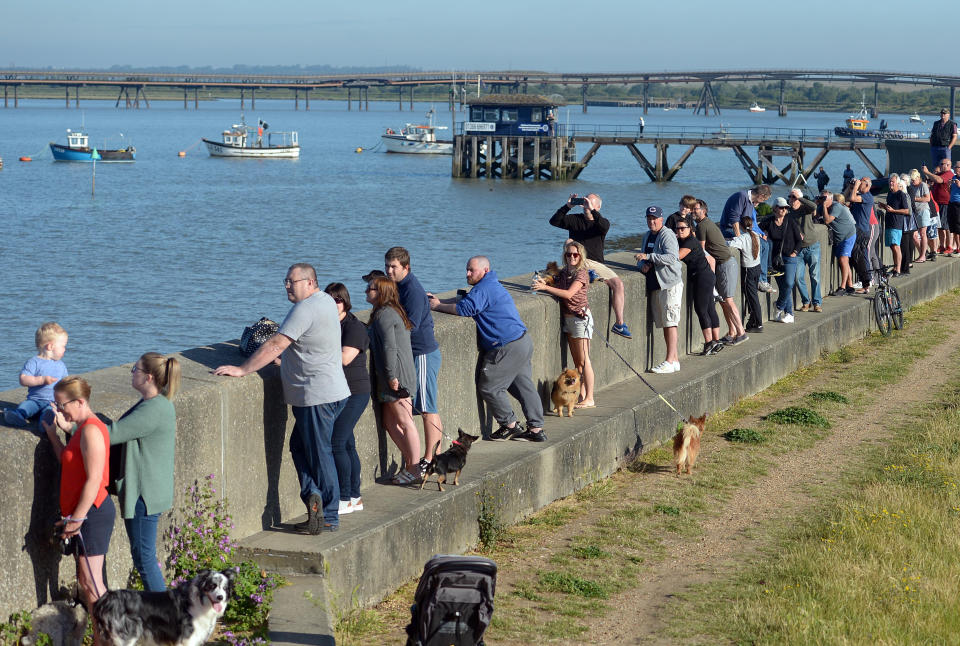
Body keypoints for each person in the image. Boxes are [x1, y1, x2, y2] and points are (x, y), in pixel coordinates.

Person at [214, 263, 349, 534]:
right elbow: (306, 345)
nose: (287, 286)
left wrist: (243, 369)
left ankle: (330, 515)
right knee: (300, 447)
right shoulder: (324, 301)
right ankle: (315, 499)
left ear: (310, 283)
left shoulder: (305, 307)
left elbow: (277, 343)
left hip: (316, 396)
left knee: (320, 453)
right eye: (285, 281)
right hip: (327, 392)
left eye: (292, 281)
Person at [428, 256, 546, 442]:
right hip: (522, 341)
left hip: (505, 345)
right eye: (467, 269)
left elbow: (465, 309)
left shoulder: (484, 288)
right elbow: (466, 300)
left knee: (490, 386)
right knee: (523, 386)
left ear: (485, 270)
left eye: (471, 270)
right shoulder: (491, 285)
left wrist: (437, 306)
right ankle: (536, 429)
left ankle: (510, 425)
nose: (467, 273)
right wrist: (441, 300)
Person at [107, 352, 180, 592]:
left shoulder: (153, 409)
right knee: (144, 556)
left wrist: (73, 425)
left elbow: (112, 434)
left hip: (144, 495)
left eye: (135, 369)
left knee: (144, 558)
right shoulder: (155, 404)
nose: (131, 373)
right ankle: (166, 617)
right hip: (150, 491)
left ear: (148, 377)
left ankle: (166, 619)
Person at [41, 377, 115, 614]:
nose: (59, 410)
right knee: (87, 582)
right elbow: (68, 460)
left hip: (92, 512)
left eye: (62, 405)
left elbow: (94, 479)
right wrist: (54, 435)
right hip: (83, 513)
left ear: (80, 401)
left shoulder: (91, 430)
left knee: (93, 585)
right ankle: (100, 637)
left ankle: (108, 637)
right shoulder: (81, 429)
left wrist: (76, 519)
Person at [384, 247, 444, 476]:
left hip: (422, 353)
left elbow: (411, 326)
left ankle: (429, 459)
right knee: (427, 406)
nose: (389, 270)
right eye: (387, 265)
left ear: (406, 268)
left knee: (427, 408)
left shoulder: (413, 290)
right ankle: (432, 458)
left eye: (394, 267)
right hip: (416, 354)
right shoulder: (398, 286)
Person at [549, 193, 630, 339]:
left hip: (596, 263)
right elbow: (554, 221)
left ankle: (619, 324)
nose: (586, 205)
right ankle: (588, 274)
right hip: (578, 261)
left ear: (597, 207)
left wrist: (591, 211)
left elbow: (603, 226)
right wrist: (567, 206)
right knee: (569, 242)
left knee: (618, 284)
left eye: (590, 203)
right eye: (585, 202)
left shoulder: (601, 223)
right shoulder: (574, 219)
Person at [365, 276, 422, 484]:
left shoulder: (386, 315)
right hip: (390, 376)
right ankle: (409, 462)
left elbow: (390, 347)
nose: (366, 291)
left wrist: (391, 377)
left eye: (370, 289)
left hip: (397, 377)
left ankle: (415, 468)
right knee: (389, 422)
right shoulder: (384, 312)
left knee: (405, 421)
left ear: (381, 292)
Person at [532, 241, 596, 406]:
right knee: (577, 362)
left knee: (585, 360)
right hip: (569, 318)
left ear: (580, 256)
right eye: (568, 254)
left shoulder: (582, 274)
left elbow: (568, 294)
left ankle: (590, 397)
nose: (572, 257)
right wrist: (545, 282)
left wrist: (545, 289)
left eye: (575, 255)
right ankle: (580, 395)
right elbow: (556, 281)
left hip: (581, 318)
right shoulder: (565, 272)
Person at [324, 283, 369, 515]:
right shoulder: (329, 325)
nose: (334, 304)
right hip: (337, 392)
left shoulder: (354, 327)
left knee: (336, 442)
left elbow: (344, 358)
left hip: (355, 392)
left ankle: (343, 497)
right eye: (329, 299)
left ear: (345, 301)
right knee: (348, 444)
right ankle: (354, 497)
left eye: (338, 300)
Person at [635, 206, 683, 373]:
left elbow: (672, 257)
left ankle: (669, 361)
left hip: (670, 284)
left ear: (661, 219)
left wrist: (649, 257)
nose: (651, 221)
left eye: (654, 218)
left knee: (670, 322)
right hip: (657, 284)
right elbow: (641, 257)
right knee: (665, 323)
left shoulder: (667, 234)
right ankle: (674, 360)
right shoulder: (647, 236)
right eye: (649, 218)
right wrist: (643, 265)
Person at [693, 201, 748, 345]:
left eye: (696, 209)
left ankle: (741, 332)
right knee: (724, 301)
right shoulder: (707, 223)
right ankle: (732, 332)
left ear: (704, 211)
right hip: (725, 264)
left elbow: (701, 250)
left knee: (728, 300)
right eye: (692, 209)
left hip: (724, 264)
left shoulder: (702, 226)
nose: (693, 211)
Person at [3, 322, 69, 429]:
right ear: (50, 346)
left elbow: (66, 384)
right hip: (34, 400)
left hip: (52, 403)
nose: (65, 349)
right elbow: (23, 379)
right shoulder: (34, 362)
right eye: (63, 346)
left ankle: (45, 423)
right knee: (24, 407)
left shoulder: (61, 365)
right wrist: (41, 380)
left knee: (49, 413)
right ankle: (17, 416)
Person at [674, 217, 722, 355]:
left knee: (701, 309)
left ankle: (709, 343)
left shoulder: (690, 241)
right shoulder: (682, 240)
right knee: (709, 308)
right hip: (707, 276)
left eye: (683, 228)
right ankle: (716, 341)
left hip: (702, 277)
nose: (680, 230)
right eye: (677, 228)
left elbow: (677, 256)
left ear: (690, 229)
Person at [718, 184, 772, 290]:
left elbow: (750, 223)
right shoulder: (741, 196)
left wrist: (760, 234)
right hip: (729, 230)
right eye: (764, 199)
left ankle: (762, 278)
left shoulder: (751, 202)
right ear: (761, 195)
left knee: (765, 244)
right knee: (754, 243)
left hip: (743, 230)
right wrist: (740, 238)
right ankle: (759, 279)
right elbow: (734, 219)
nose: (762, 202)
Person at [760, 197, 804, 323]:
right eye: (781, 207)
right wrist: (761, 235)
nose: (784, 210)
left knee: (789, 284)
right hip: (776, 260)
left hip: (790, 258)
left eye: (786, 208)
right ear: (775, 208)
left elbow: (800, 240)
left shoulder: (791, 221)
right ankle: (789, 314)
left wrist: (795, 252)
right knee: (784, 287)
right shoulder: (768, 221)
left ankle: (779, 306)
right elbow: (756, 230)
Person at [787, 189, 825, 313]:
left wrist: (800, 198)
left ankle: (817, 303)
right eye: (790, 197)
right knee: (798, 277)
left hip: (812, 246)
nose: (791, 199)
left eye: (794, 197)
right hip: (798, 249)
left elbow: (814, 205)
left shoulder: (805, 209)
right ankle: (805, 301)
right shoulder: (788, 212)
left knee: (815, 276)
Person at [727, 215, 764, 332]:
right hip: (757, 268)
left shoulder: (742, 238)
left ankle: (758, 324)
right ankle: (753, 321)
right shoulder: (756, 235)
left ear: (741, 226)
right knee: (754, 296)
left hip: (748, 270)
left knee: (751, 297)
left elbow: (730, 245)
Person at [820, 191, 859, 294]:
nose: (822, 200)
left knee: (843, 259)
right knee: (844, 261)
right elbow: (815, 215)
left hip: (848, 235)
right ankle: (850, 286)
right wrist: (817, 203)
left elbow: (827, 220)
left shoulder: (836, 206)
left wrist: (823, 206)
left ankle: (842, 287)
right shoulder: (824, 206)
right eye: (821, 198)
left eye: (824, 199)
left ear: (831, 199)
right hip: (840, 238)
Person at [845, 177, 880, 286]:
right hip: (856, 229)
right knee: (855, 256)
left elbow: (852, 199)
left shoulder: (867, 197)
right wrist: (850, 187)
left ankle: (867, 282)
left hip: (863, 230)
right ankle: (864, 281)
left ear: (867, 186)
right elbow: (845, 199)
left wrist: (855, 187)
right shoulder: (860, 195)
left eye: (862, 182)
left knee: (863, 256)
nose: (859, 183)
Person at [878, 174, 910, 276]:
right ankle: (895, 267)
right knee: (892, 246)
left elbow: (906, 210)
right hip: (889, 222)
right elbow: (889, 207)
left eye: (893, 182)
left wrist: (894, 210)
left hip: (896, 223)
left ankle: (898, 269)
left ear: (897, 183)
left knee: (896, 246)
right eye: (890, 182)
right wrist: (883, 206)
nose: (891, 183)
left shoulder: (901, 194)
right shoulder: (890, 193)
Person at [921, 159, 954, 255]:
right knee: (939, 227)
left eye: (942, 164)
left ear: (947, 165)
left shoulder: (948, 174)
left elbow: (939, 180)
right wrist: (926, 174)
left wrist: (927, 172)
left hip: (945, 204)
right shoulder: (941, 174)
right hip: (937, 204)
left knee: (947, 227)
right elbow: (933, 179)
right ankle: (942, 246)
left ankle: (949, 246)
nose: (940, 165)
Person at [908, 169, 932, 263]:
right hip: (915, 212)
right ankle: (923, 253)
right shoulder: (911, 186)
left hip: (923, 211)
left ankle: (922, 256)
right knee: (914, 235)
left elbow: (928, 198)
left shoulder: (923, 185)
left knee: (922, 233)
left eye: (914, 180)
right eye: (911, 180)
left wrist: (915, 199)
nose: (912, 182)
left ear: (918, 178)